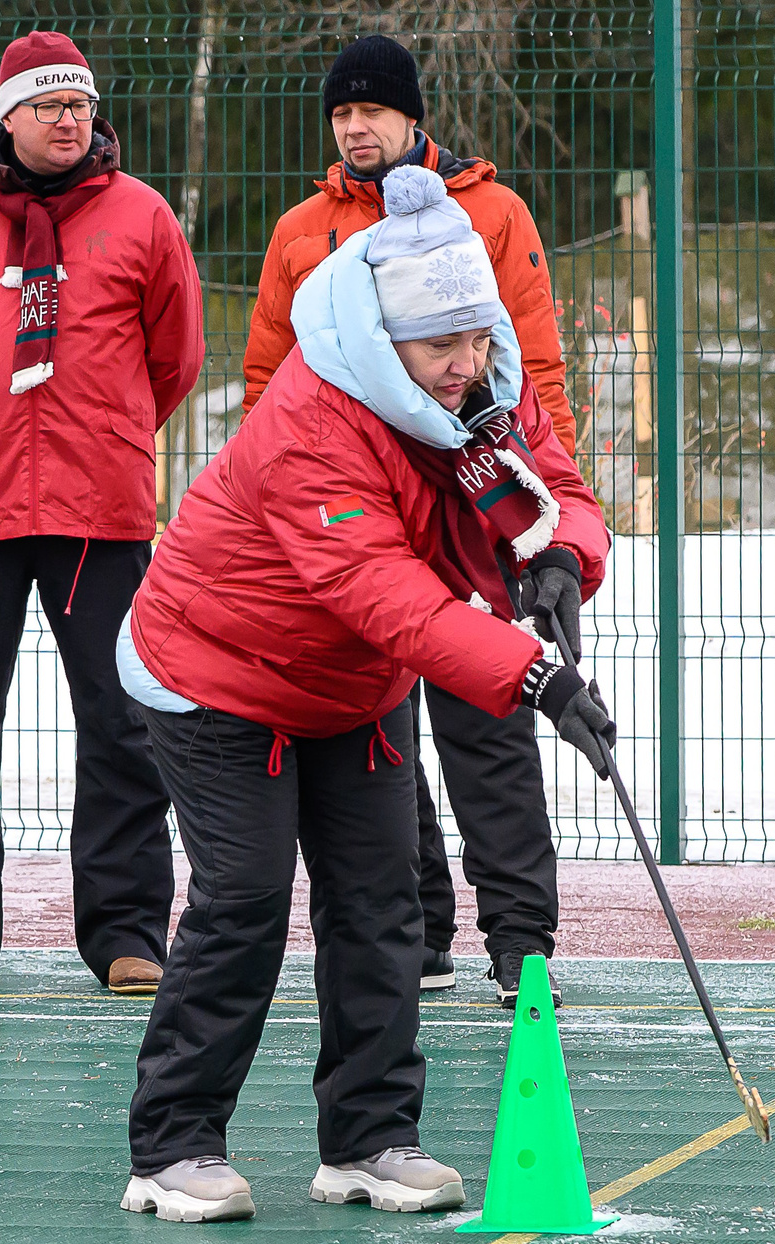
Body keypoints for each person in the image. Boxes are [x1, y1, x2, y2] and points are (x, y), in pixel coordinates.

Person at [117, 167, 614, 1224]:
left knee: (383, 900)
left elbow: (552, 480)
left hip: (350, 683)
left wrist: (562, 555)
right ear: (386, 338)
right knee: (245, 897)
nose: (466, 363)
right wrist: (532, 675)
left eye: (476, 337)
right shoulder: (313, 417)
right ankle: (172, 1146)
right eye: (441, 347)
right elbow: (381, 593)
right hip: (217, 671)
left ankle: (369, 1138)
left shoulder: (482, 384)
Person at [243, 34, 590, 1008]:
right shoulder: (301, 230)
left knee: (491, 719)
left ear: (411, 116)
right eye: (341, 114)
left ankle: (520, 942)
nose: (356, 128)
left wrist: (540, 510)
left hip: (472, 502)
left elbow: (531, 363)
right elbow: (268, 376)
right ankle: (423, 930)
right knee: (376, 734)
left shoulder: (492, 212)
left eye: (372, 111)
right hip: (356, 517)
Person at [0, 29, 206, 997]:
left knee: (122, 723)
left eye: (82, 106)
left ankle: (125, 933)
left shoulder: (142, 214)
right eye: (50, 106)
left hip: (98, 507)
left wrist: (106, 427)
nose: (70, 122)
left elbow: (174, 358)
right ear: (7, 116)